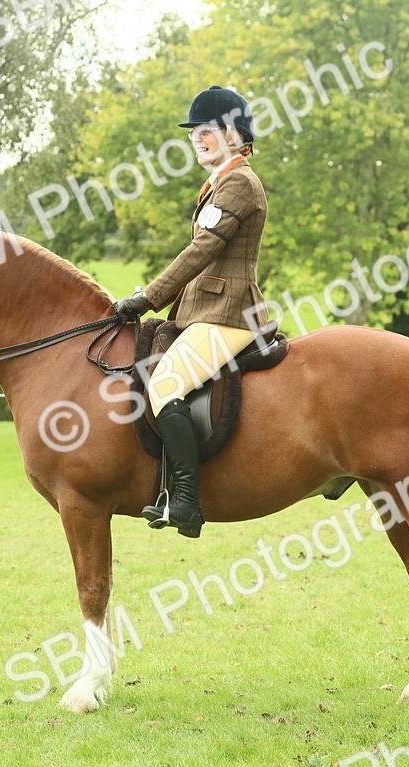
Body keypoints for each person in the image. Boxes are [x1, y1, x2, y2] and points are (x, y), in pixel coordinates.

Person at [112, 85, 269, 539]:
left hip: (229, 313)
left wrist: (146, 299)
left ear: (233, 134)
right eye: (194, 132)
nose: (197, 138)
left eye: (208, 131)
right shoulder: (218, 182)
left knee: (164, 385)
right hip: (203, 311)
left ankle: (186, 499)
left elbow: (201, 250)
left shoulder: (239, 182)